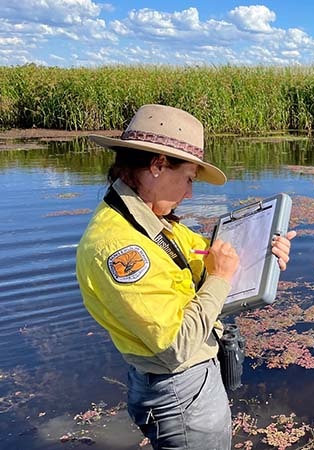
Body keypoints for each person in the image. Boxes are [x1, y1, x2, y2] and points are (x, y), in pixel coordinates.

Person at [76, 104, 296, 449]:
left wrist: (265, 251)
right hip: (179, 392)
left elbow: (207, 250)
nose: (191, 193)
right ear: (158, 165)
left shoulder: (152, 221)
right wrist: (221, 278)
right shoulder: (120, 248)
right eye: (189, 179)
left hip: (189, 386)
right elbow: (177, 344)